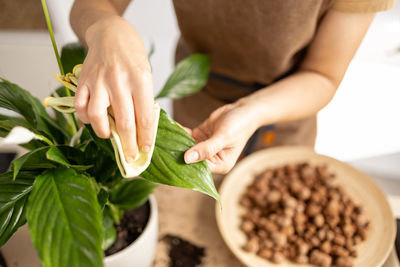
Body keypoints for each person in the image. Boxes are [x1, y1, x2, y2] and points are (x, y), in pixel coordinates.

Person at [70, 0, 395, 174]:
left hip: (287, 107)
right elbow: (91, 5)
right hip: (198, 94)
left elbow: (323, 75)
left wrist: (250, 111)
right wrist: (105, 26)